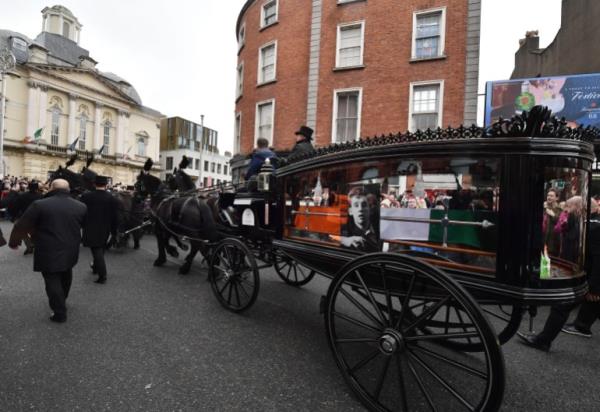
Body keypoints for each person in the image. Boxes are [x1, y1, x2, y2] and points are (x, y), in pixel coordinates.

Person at [517, 198, 599, 351]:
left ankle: (543, 340)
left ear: (579, 207)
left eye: (569, 206)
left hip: (585, 276)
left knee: (561, 307)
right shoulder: (587, 223)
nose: (566, 209)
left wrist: (595, 288)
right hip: (581, 273)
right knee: (562, 307)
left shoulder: (594, 227)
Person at [8, 179, 87, 323]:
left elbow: (22, 225)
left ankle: (59, 312)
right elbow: (84, 225)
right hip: (71, 247)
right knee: (66, 273)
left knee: (51, 278)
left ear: (51, 188)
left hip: (47, 246)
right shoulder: (80, 206)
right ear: (68, 189)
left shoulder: (40, 205)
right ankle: (62, 300)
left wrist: (14, 242)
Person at [80, 176, 119, 284]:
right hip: (106, 227)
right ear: (106, 185)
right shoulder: (112, 198)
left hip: (90, 226)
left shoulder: (86, 196)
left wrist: (81, 225)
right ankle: (96, 267)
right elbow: (115, 216)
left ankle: (102, 275)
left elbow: (81, 212)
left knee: (96, 250)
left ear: (94, 184)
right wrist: (114, 231)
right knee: (100, 248)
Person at [340, 187, 379, 252]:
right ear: (350, 211)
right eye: (356, 205)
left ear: (370, 209)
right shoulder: (344, 227)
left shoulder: (378, 228)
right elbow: (329, 237)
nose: (360, 209)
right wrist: (345, 240)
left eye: (364, 205)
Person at [15, 181, 42, 255]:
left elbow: (17, 206)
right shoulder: (41, 196)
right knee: (35, 232)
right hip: (38, 217)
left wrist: (15, 216)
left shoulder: (22, 195)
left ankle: (29, 245)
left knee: (22, 232)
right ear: (37, 188)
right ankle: (33, 244)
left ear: (28, 187)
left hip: (25, 216)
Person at [542, 189, 562, 256]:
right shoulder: (544, 208)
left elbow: (560, 223)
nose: (549, 197)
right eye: (548, 195)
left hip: (552, 242)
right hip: (542, 239)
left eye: (551, 196)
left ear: (557, 198)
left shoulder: (559, 210)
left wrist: (552, 214)